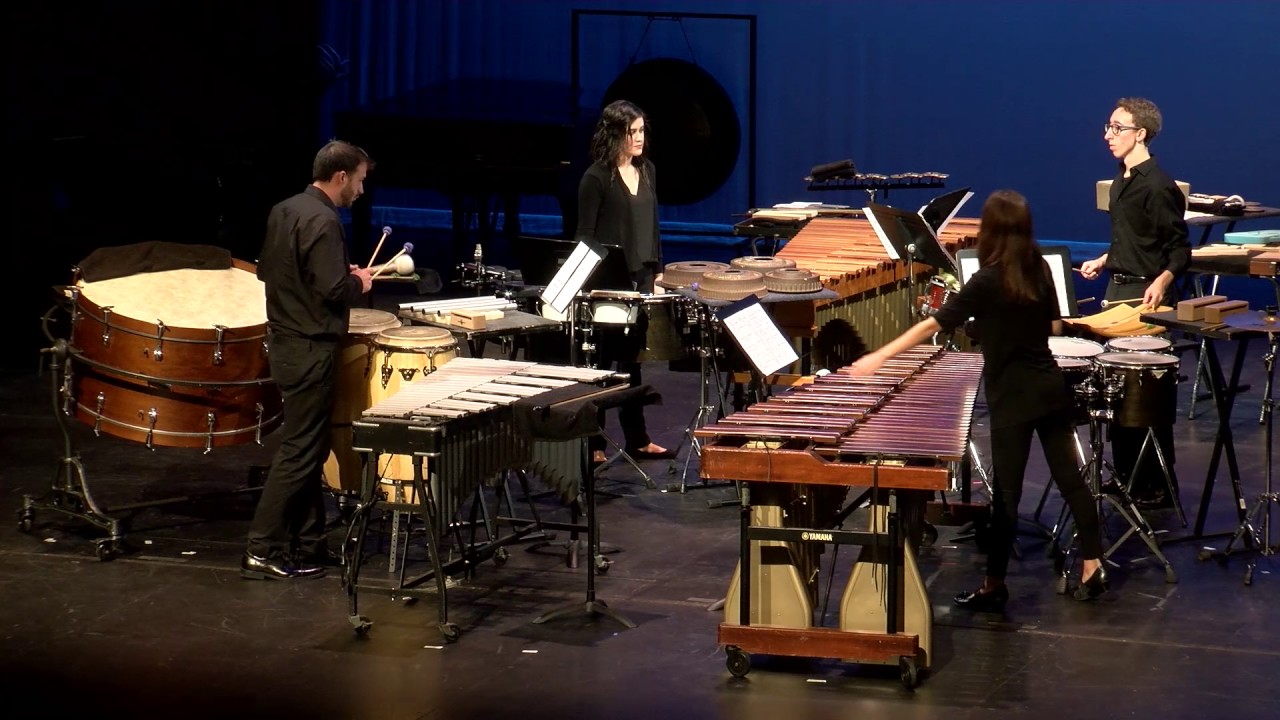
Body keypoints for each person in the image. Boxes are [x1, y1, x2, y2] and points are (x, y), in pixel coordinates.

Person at [846, 190, 1108, 608]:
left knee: (1006, 495)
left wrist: (878, 357)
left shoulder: (987, 279)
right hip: (1048, 386)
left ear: (990, 230)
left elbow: (933, 323)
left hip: (1012, 397)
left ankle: (994, 584)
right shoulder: (1038, 268)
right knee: (1072, 480)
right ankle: (1093, 564)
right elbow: (1053, 326)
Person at [242, 140, 375, 580]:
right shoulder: (323, 219)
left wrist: (338, 273)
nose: (359, 190)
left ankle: (311, 543)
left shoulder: (286, 209)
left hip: (284, 342)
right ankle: (262, 549)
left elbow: (272, 271)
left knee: (311, 448)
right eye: (358, 181)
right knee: (300, 452)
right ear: (341, 177)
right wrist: (359, 281)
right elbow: (333, 292)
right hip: (310, 348)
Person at [1080, 97, 1190, 508]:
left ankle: (1156, 485)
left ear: (1139, 134)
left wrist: (1163, 280)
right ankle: (1126, 478)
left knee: (1144, 402)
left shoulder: (1158, 185)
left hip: (1145, 299)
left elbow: (1179, 249)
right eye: (1108, 127)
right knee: (1116, 398)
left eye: (1116, 127)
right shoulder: (1122, 180)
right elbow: (1135, 239)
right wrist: (1104, 259)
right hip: (1116, 293)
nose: (1108, 135)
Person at [575, 99, 672, 464]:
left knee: (633, 362)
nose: (639, 138)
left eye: (642, 131)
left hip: (642, 276)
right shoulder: (595, 178)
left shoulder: (647, 171)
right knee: (601, 362)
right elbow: (584, 236)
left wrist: (659, 270)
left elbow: (654, 225)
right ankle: (594, 441)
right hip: (608, 280)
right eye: (632, 132)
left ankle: (638, 438)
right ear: (615, 133)